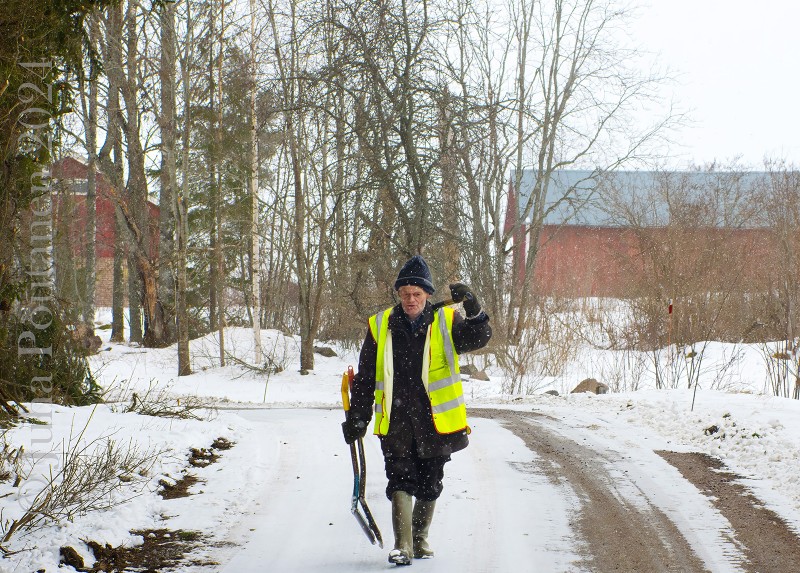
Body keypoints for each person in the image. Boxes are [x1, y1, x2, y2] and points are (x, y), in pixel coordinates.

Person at [341, 255, 492, 566]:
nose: (411, 300)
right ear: (399, 294)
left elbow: (479, 338)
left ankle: (419, 538)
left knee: (430, 481)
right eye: (405, 294)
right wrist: (358, 416)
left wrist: (474, 309)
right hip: (396, 419)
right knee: (399, 478)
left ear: (427, 295)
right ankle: (403, 545)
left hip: (435, 420)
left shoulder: (446, 321)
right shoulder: (381, 325)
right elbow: (366, 377)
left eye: (417, 294)